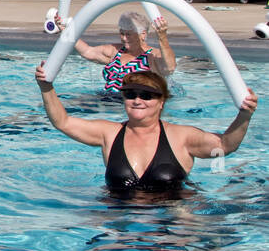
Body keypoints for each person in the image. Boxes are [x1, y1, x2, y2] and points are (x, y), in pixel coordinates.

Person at [35, 64, 256, 192]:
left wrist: (245, 114)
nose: (137, 100)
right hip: (119, 217)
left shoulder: (180, 137)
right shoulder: (109, 134)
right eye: (130, 94)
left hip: (173, 220)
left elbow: (225, 145)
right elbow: (62, 122)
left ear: (161, 102)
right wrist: (47, 87)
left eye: (147, 95)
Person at [55, 10, 176, 93]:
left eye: (128, 34)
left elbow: (169, 68)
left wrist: (162, 37)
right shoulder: (115, 51)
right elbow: (87, 52)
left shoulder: (151, 56)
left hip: (133, 105)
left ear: (142, 34)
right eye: (122, 33)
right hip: (107, 102)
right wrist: (65, 29)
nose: (124, 38)